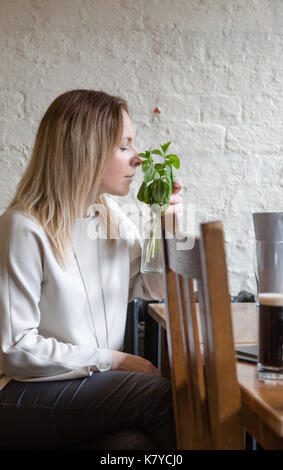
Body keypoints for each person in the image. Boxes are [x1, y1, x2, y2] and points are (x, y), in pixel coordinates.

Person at [0, 90, 183, 450]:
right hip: (19, 394)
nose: (139, 158)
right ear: (86, 151)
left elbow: (153, 287)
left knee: (131, 445)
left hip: (84, 391)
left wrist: (169, 231)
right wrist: (113, 361)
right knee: (160, 396)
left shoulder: (109, 221)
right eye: (125, 146)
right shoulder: (21, 228)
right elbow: (15, 350)